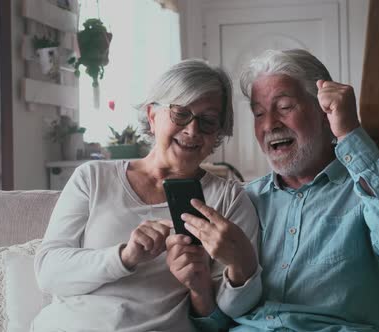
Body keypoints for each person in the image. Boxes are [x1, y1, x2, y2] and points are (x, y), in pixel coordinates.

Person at [189, 49, 379, 331]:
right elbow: (217, 322)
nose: (270, 124)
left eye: (284, 107)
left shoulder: (369, 188)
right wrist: (199, 287)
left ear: (325, 113)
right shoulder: (246, 200)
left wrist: (350, 133)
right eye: (259, 113)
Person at [31, 59, 261, 332]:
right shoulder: (92, 178)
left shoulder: (229, 199)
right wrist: (124, 257)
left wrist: (199, 286)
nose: (192, 130)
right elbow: (48, 273)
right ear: (152, 116)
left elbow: (226, 319)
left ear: (218, 135)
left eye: (208, 121)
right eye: (180, 113)